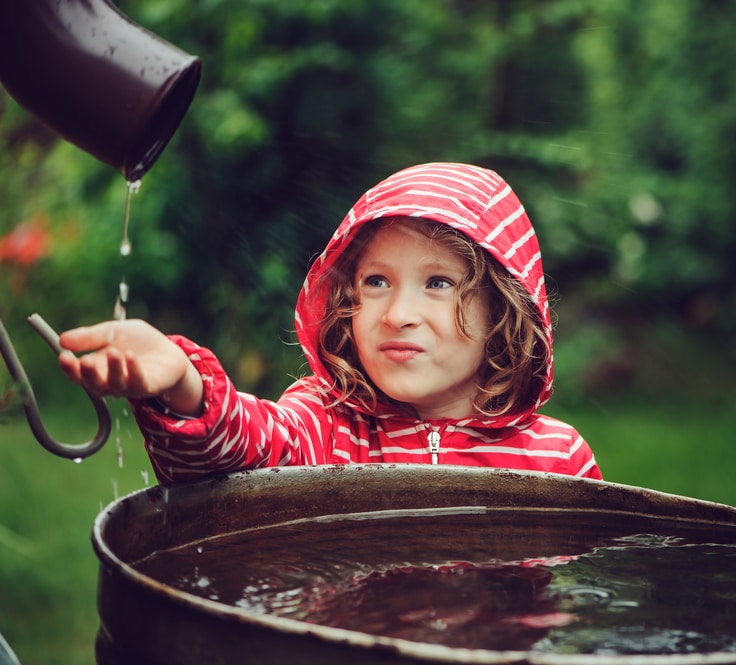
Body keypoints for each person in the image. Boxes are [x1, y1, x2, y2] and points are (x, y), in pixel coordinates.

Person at [58, 162, 601, 483]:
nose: (398, 314)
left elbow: (581, 598)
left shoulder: (555, 459)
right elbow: (248, 448)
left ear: (503, 312)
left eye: (437, 284)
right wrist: (184, 383)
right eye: (376, 282)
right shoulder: (327, 424)